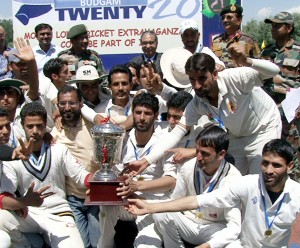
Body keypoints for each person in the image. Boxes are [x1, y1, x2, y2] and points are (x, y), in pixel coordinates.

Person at [128, 44, 281, 176]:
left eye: (202, 78)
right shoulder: (197, 102)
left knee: (258, 180)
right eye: (192, 80)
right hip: (236, 136)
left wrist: (247, 61)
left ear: (215, 74)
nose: (197, 85)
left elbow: (274, 71)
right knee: (233, 182)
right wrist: (146, 161)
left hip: (263, 129)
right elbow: (176, 133)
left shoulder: (235, 78)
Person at [127, 139, 300, 247]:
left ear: (290, 167)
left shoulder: (297, 194)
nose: (268, 170)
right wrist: (150, 207)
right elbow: (200, 200)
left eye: (276, 165)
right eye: (265, 163)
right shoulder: (248, 183)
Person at [0, 102, 91, 247]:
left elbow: (81, 176)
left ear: (45, 126)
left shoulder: (58, 149)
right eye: (30, 126)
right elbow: (3, 198)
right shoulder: (14, 156)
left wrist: (103, 178)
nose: (35, 131)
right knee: (1, 217)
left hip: (59, 214)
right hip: (30, 214)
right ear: (22, 126)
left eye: (39, 126)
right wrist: (25, 201)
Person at [99, 92, 177, 248]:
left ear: (155, 116)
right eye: (138, 112)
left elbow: (171, 181)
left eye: (147, 113)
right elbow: (113, 172)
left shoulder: (166, 139)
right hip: (126, 200)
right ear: (132, 113)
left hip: (152, 204)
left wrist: (138, 186)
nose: (142, 118)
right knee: (105, 207)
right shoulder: (121, 139)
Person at [152, 125, 241, 247]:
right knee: (160, 211)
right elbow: (175, 201)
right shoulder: (188, 166)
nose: (198, 158)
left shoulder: (234, 179)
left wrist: (209, 245)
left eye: (205, 153)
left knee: (234, 245)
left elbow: (234, 227)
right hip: (188, 222)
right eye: (197, 151)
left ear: (221, 154)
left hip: (214, 229)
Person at [51, 85, 100, 248]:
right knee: (81, 245)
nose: (66, 108)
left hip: (97, 197)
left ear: (80, 104)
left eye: (71, 103)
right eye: (62, 104)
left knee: (100, 244)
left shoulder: (95, 126)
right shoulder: (53, 135)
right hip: (72, 199)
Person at [261, 12, 300, 169]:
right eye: (272, 26)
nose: (273, 29)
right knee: (273, 152)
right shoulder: (266, 52)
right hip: (270, 110)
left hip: (292, 114)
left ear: (289, 27)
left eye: (277, 25)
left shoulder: (298, 50)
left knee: (292, 154)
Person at [211, 4, 260, 68]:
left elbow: (258, 65)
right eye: (223, 18)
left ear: (239, 20)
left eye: (229, 17)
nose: (225, 20)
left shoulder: (249, 41)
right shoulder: (216, 41)